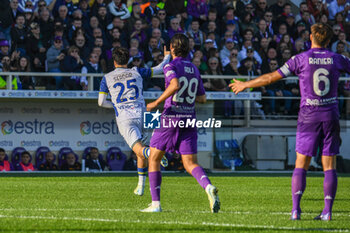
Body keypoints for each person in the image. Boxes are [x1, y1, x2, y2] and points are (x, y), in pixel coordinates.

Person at [230, 23, 350, 221]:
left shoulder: (300, 59)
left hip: (308, 118)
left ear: (311, 38)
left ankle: (296, 210)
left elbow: (270, 78)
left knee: (301, 164)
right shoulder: (338, 59)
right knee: (329, 165)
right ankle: (327, 211)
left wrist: (245, 84)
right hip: (330, 116)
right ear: (329, 41)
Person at [142, 34, 220, 213]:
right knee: (190, 163)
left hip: (171, 117)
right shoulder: (194, 68)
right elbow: (202, 98)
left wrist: (155, 103)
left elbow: (175, 85)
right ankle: (208, 187)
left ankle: (156, 204)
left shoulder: (171, 66)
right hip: (189, 118)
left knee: (154, 158)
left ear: (172, 48)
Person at [98, 46, 170, 196]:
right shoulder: (137, 71)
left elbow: (101, 102)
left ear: (114, 61)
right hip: (144, 112)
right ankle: (141, 185)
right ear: (127, 60)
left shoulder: (107, 77)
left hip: (126, 116)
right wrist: (167, 57)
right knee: (142, 150)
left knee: (139, 149)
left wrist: (116, 105)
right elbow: (159, 69)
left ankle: (154, 153)